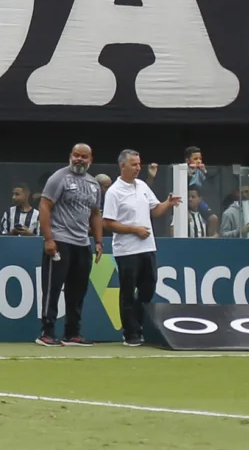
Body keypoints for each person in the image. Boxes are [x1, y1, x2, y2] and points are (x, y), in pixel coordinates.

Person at [99, 150, 177, 345]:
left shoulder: (142, 186)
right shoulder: (114, 192)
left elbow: (156, 210)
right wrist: (133, 229)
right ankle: (130, 333)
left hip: (148, 247)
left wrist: (168, 203)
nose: (138, 168)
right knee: (127, 291)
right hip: (127, 250)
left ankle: (141, 326)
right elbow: (107, 223)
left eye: (139, 164)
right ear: (122, 166)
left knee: (148, 289)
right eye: (134, 165)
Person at [38, 142, 103, 346]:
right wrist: (49, 238)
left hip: (82, 243)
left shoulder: (94, 184)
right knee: (53, 288)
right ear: (70, 156)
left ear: (90, 160)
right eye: (76, 155)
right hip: (60, 240)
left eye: (84, 157)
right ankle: (47, 333)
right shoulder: (59, 178)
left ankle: (72, 333)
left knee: (78, 290)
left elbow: (95, 214)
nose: (79, 160)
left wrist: (99, 241)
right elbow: (45, 206)